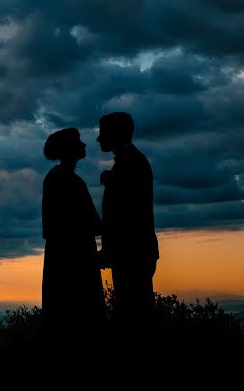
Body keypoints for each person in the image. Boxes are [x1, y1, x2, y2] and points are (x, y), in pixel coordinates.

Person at [41, 127, 105, 338]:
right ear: (69, 149)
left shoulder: (57, 178)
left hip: (64, 261)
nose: (85, 145)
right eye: (79, 141)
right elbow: (93, 223)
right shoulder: (69, 181)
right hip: (76, 262)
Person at [97, 112, 159, 331]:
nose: (98, 139)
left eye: (102, 133)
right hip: (132, 252)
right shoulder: (128, 163)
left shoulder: (131, 163)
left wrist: (112, 183)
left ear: (116, 134)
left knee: (134, 317)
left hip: (132, 252)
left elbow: (127, 212)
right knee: (132, 313)